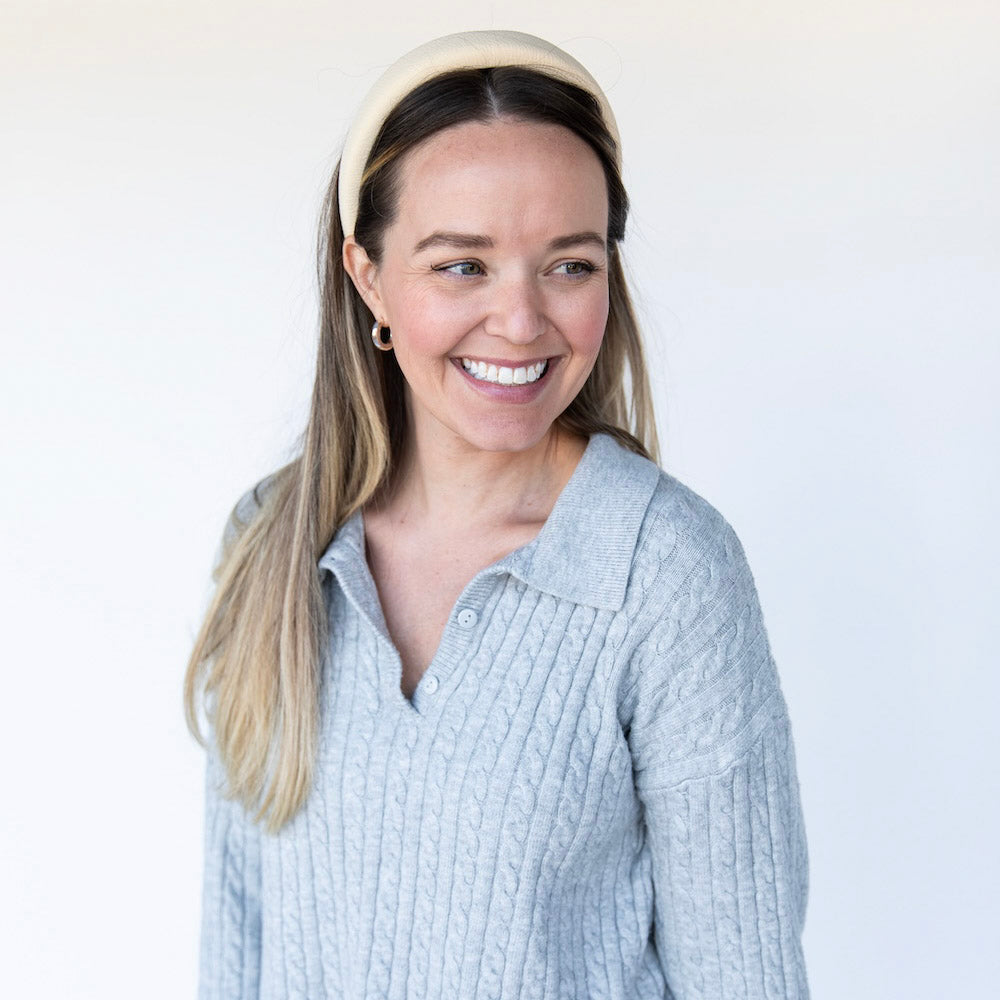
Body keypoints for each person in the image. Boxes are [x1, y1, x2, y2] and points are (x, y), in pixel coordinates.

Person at [185, 29, 810, 1000]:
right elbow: (238, 947)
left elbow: (746, 980)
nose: (520, 323)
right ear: (367, 276)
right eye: (462, 266)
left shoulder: (664, 572)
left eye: (569, 265)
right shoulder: (274, 537)